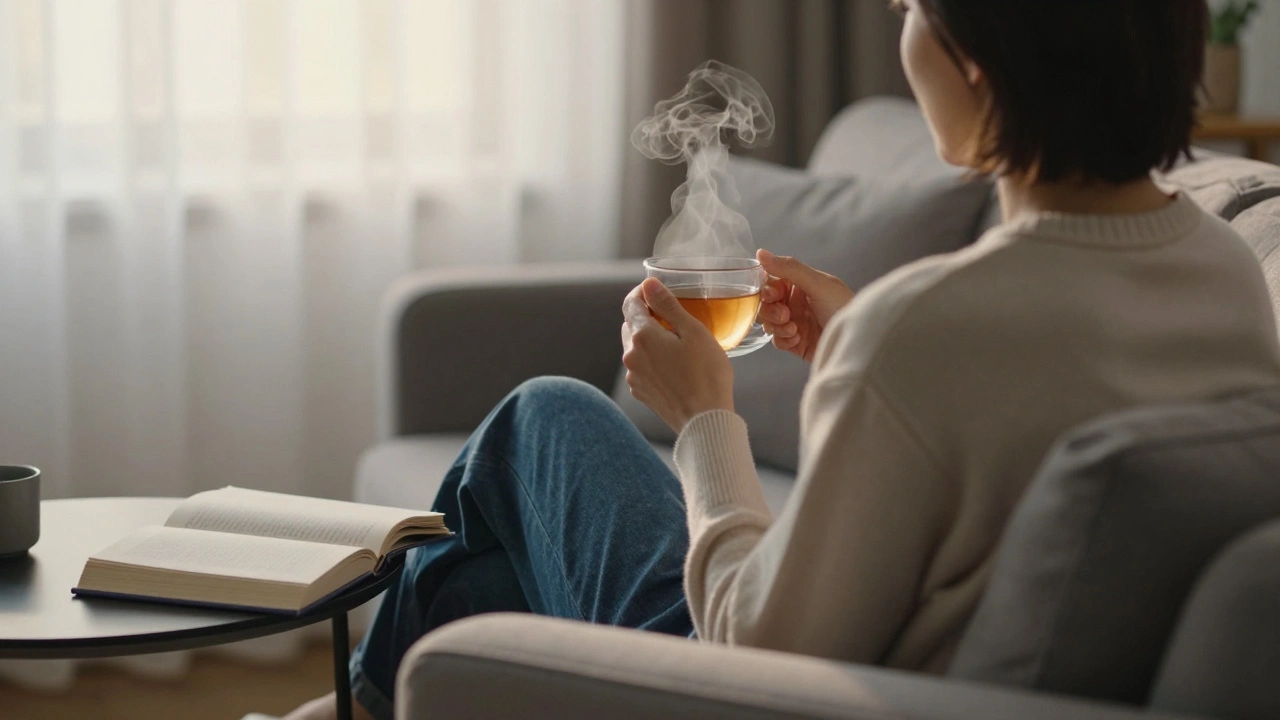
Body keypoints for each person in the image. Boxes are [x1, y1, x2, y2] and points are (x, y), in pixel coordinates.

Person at [287, 1, 1280, 718]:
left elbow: (743, 638)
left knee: (543, 418)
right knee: (478, 583)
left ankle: (346, 706)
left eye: (906, 8)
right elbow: (1034, 400)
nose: (897, 29)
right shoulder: (1224, 271)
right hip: (891, 659)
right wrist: (859, 334)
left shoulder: (927, 328)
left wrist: (704, 420)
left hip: (767, 688)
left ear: (972, 60)